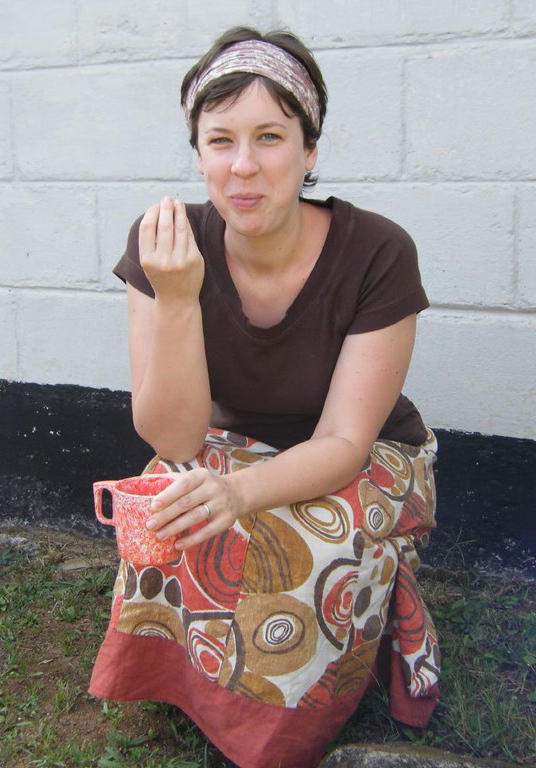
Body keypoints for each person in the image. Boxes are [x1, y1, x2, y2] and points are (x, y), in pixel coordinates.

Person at [88, 26, 441, 768]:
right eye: (220, 140)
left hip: (373, 455)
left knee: (294, 543)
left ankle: (283, 732)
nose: (244, 167)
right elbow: (173, 440)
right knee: (169, 498)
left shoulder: (378, 253)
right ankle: (197, 689)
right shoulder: (167, 243)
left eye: (270, 137)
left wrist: (240, 494)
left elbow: (345, 440)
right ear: (198, 152)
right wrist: (179, 299)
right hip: (231, 446)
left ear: (311, 151)